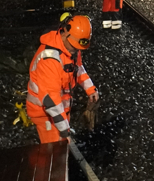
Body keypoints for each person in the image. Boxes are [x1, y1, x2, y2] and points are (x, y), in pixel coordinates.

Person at [25, 14, 99, 143]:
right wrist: (64, 130)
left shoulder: (72, 47)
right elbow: (51, 100)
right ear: (65, 33)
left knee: (63, 142)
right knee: (55, 147)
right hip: (45, 113)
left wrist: (90, 88)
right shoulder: (49, 60)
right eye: (74, 46)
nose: (77, 50)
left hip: (61, 108)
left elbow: (78, 69)